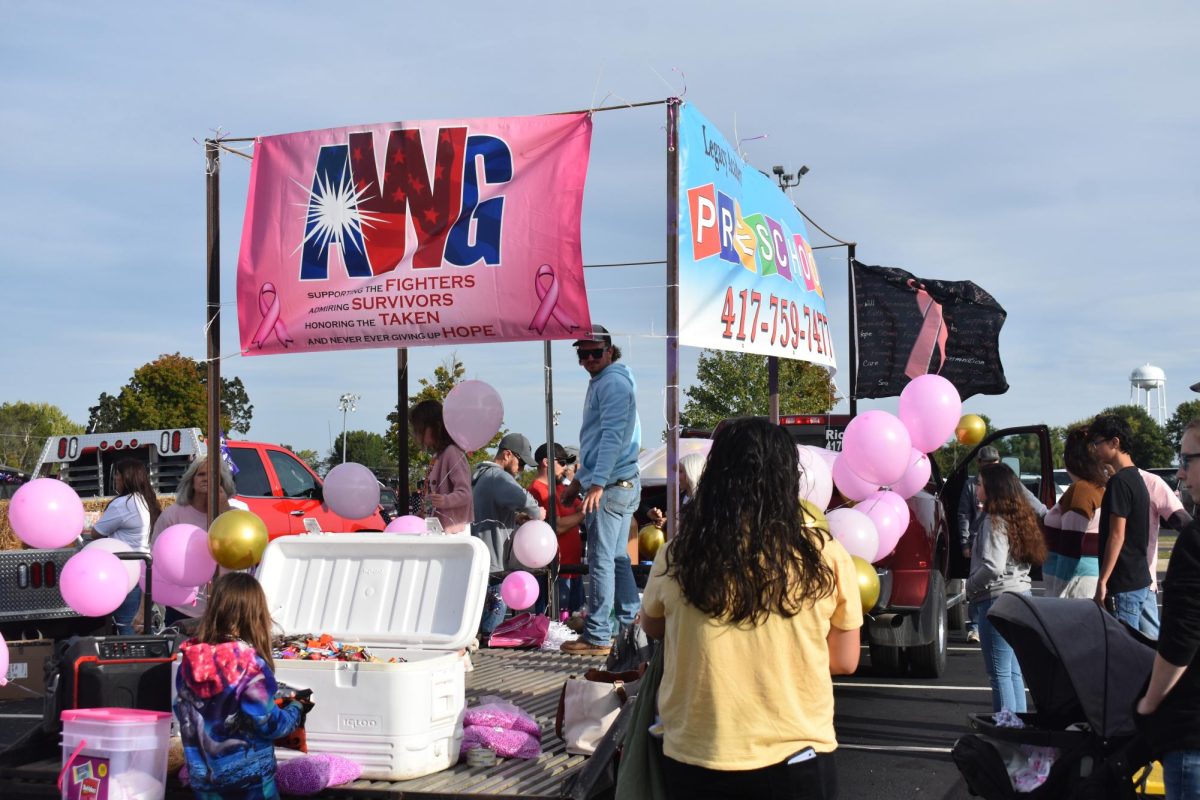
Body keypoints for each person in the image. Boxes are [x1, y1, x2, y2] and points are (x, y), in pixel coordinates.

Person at [640, 418, 862, 800]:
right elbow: (844, 660)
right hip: (797, 753)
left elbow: (654, 627)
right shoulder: (825, 554)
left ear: (716, 476)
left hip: (697, 751)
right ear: (788, 479)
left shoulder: (679, 553)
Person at [175, 572, 304, 800]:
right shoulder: (249, 664)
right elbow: (270, 726)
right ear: (254, 614)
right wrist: (296, 709)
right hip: (250, 784)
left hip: (204, 783)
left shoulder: (189, 660)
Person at [561, 325, 642, 657]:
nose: (589, 359)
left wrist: (595, 483)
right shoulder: (610, 380)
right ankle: (628, 628)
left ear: (610, 351)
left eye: (595, 352)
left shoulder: (612, 382)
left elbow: (611, 437)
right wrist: (580, 481)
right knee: (618, 558)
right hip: (617, 482)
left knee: (601, 560)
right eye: (583, 354)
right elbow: (599, 440)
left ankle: (598, 635)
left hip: (610, 486)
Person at [1136, 417, 1200, 800]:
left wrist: (1148, 703)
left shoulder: (1194, 541)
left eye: (1187, 459)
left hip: (1192, 733)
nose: (1180, 472)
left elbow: (1181, 639)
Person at [966, 463, 1047, 713]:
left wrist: (969, 587)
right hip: (1021, 596)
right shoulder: (1018, 517)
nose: (976, 488)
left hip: (998, 600)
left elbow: (993, 566)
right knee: (1012, 672)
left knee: (999, 673)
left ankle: (1006, 736)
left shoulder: (994, 521)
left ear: (993, 488)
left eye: (979, 483)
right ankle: (1018, 732)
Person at [153, 458, 243, 627]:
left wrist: (223, 510)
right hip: (183, 608)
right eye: (201, 474)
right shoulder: (173, 515)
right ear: (191, 481)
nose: (206, 479)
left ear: (223, 482)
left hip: (225, 605)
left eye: (213, 475)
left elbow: (244, 555)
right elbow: (154, 560)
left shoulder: (235, 517)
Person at [471, 433, 544, 635]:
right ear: (507, 454)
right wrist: (538, 513)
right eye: (520, 463)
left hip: (481, 556)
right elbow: (527, 501)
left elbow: (492, 510)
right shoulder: (498, 476)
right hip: (496, 562)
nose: (521, 469)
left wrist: (515, 518)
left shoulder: (481, 476)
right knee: (491, 628)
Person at [1090, 414, 1152, 627]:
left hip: (1122, 583)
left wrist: (1103, 581)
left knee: (1123, 654)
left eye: (1097, 442)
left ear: (1115, 442)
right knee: (1140, 651)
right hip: (1139, 579)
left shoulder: (1119, 482)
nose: (1095, 449)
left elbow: (1116, 535)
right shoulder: (1137, 478)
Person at [91, 458, 162, 635]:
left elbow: (97, 533)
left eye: (117, 475)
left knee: (126, 624)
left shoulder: (123, 504)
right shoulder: (148, 501)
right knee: (140, 624)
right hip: (146, 569)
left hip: (126, 571)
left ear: (126, 478)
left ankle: (131, 662)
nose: (115, 479)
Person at [1041, 427, 1107, 599]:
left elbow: (1071, 546)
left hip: (1075, 583)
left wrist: (1059, 592)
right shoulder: (1099, 488)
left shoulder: (1081, 491)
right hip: (1085, 579)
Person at [528, 442, 585, 615]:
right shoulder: (538, 490)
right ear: (547, 462)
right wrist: (583, 513)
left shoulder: (560, 488)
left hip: (573, 570)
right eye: (561, 462)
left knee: (576, 624)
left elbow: (581, 508)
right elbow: (557, 526)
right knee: (558, 625)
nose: (565, 467)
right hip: (556, 573)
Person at [1137, 468, 1191, 638]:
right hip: (1106, 577)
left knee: (1150, 640)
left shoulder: (1150, 482)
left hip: (1139, 580)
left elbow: (1182, 520)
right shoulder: (1094, 483)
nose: (1180, 474)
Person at [409, 399, 472, 534]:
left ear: (435, 427)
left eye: (420, 429)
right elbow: (432, 494)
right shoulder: (439, 455)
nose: (417, 434)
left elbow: (465, 494)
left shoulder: (452, 452)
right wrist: (423, 512)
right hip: (441, 530)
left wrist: (445, 500)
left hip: (454, 531)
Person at [647, 452, 706, 530]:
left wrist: (669, 523)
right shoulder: (675, 495)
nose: (676, 475)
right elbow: (643, 504)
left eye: (681, 471)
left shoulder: (705, 500)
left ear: (692, 472)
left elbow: (699, 526)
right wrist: (649, 512)